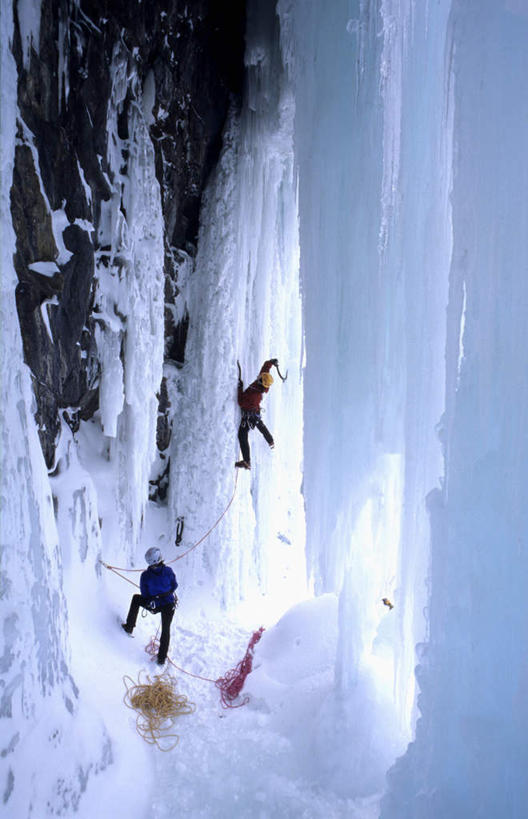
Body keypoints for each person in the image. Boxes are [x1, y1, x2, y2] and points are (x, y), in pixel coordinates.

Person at [121, 547, 178, 667]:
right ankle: (161, 659)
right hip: (168, 605)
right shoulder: (168, 571)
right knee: (166, 629)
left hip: (154, 606)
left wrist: (153, 599)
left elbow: (144, 594)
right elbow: (174, 585)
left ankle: (129, 626)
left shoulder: (145, 576)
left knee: (136, 599)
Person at [235, 358, 278, 469]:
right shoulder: (262, 382)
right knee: (260, 425)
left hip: (250, 414)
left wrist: (240, 388)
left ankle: (247, 461)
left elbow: (241, 402)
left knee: (242, 435)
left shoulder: (256, 395)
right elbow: (265, 369)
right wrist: (270, 363)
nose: (259, 376)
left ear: (261, 382)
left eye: (260, 377)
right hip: (254, 412)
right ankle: (270, 441)